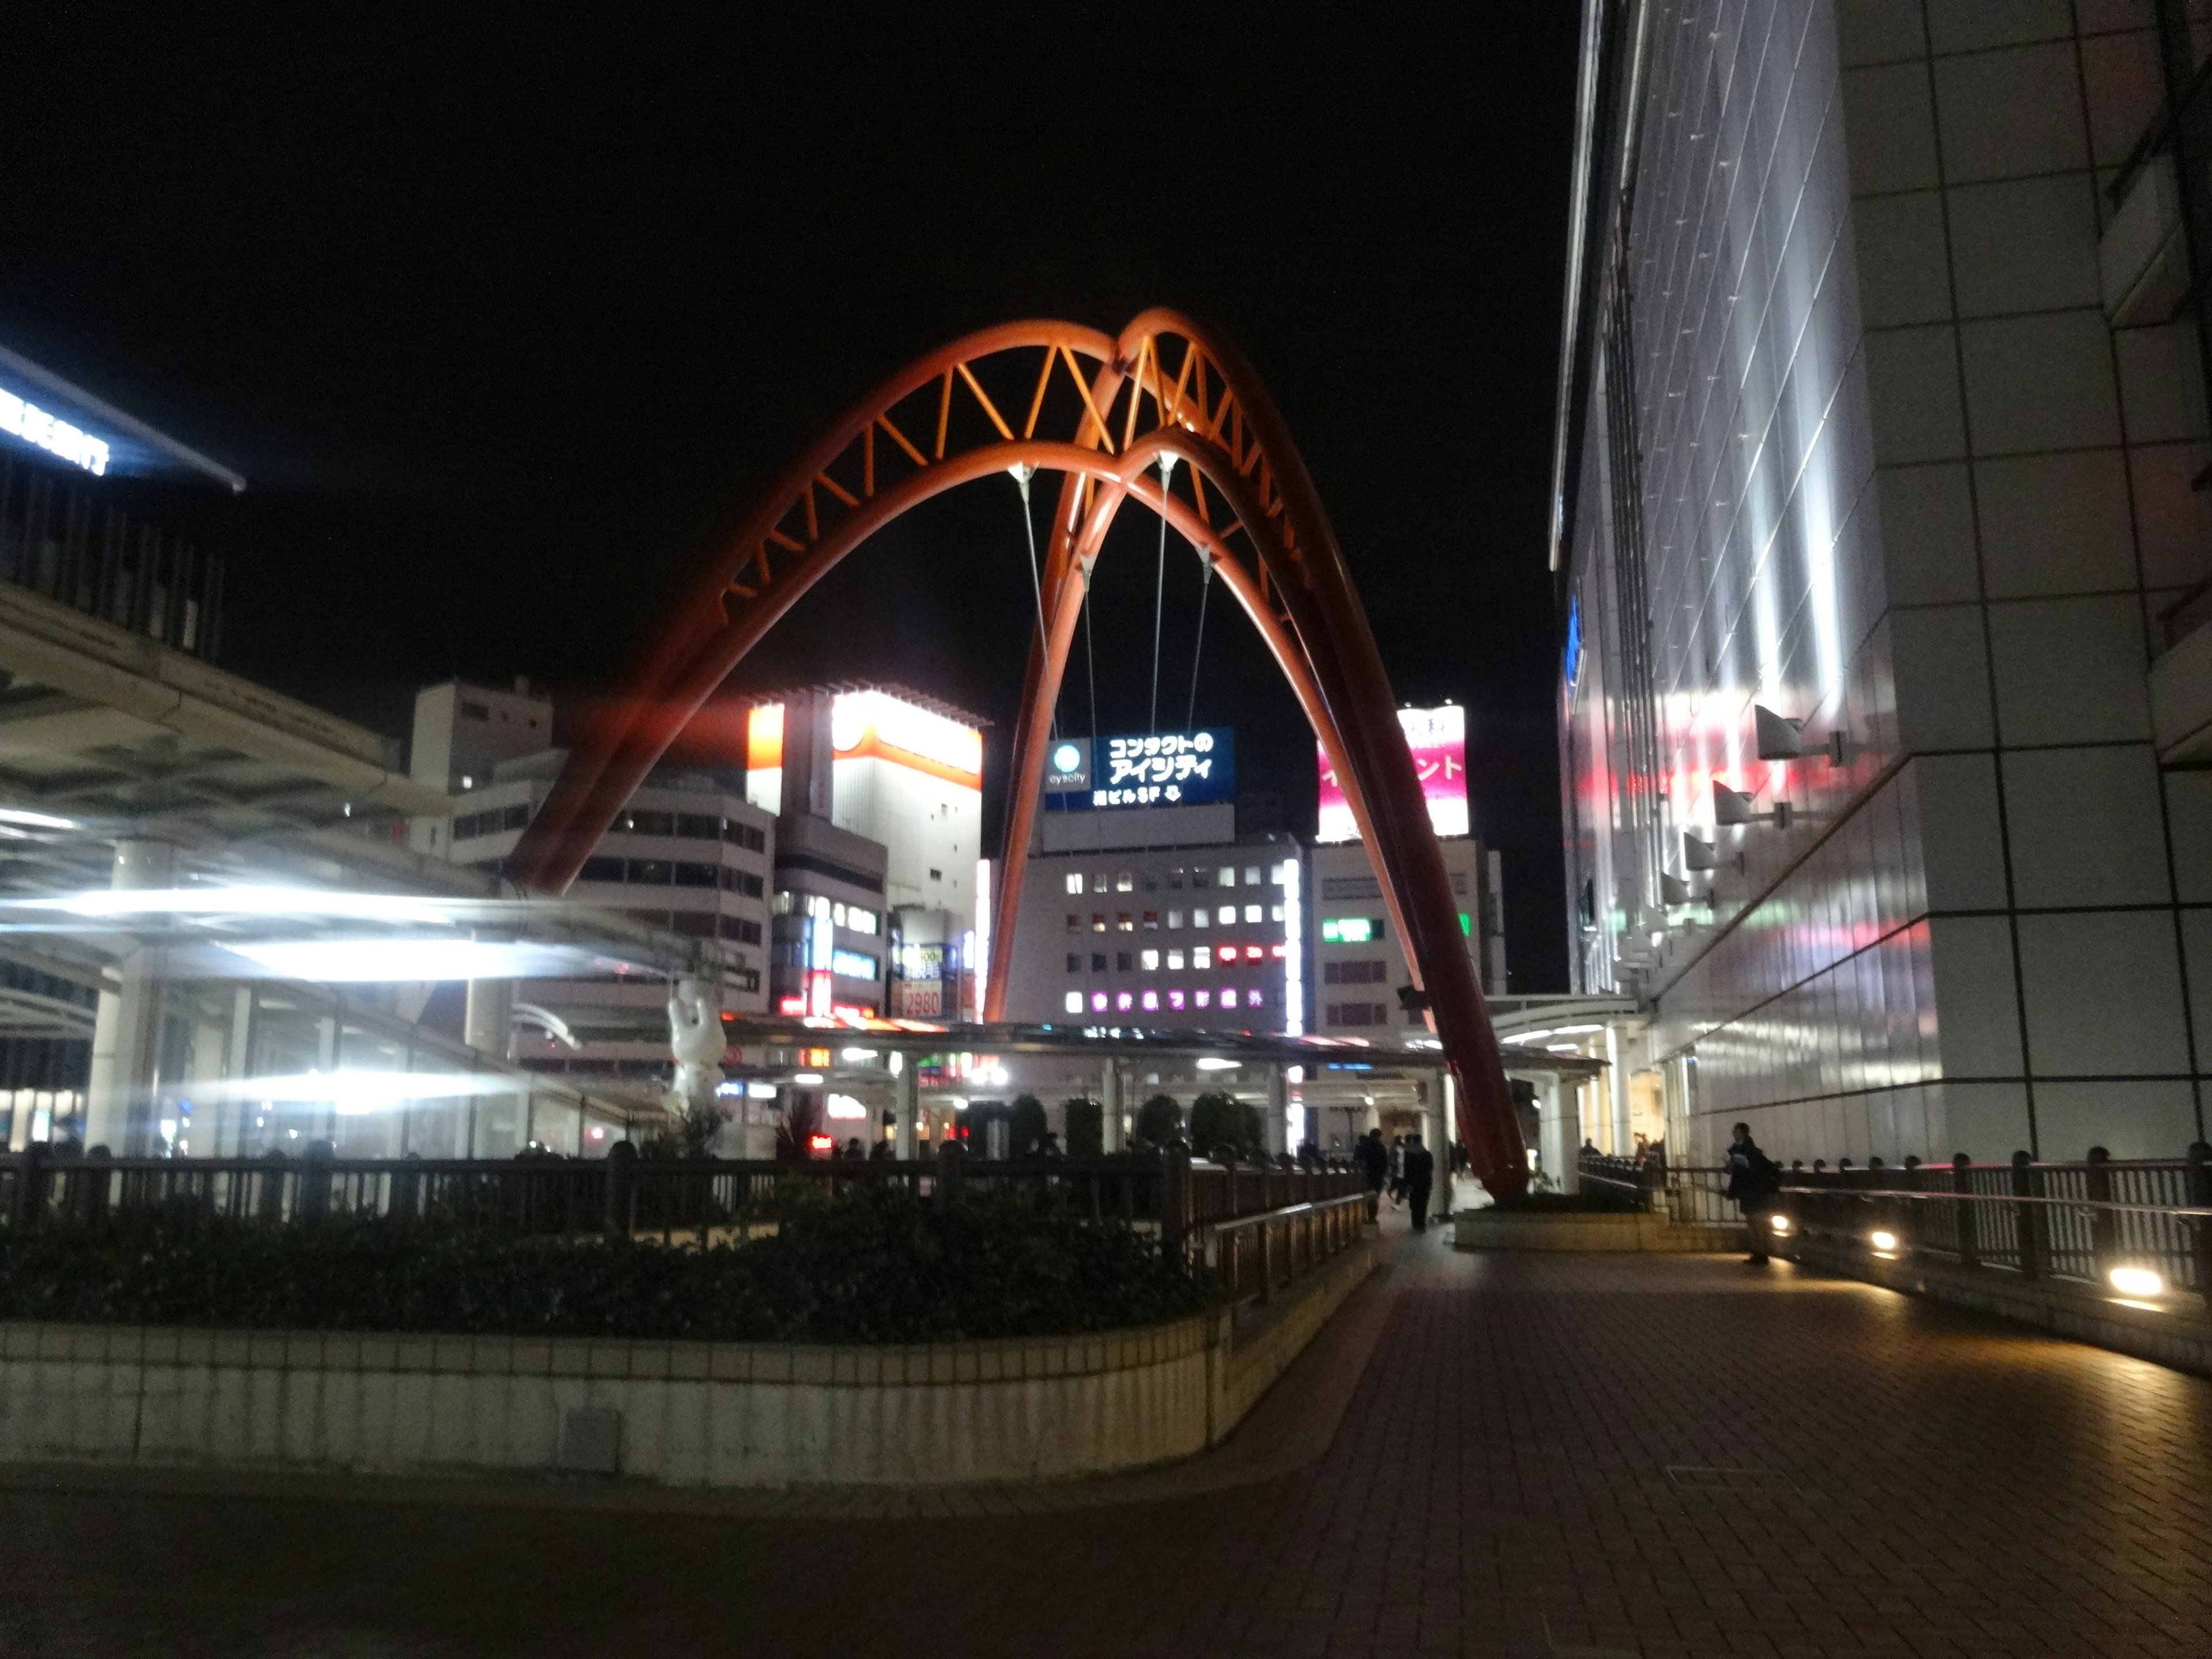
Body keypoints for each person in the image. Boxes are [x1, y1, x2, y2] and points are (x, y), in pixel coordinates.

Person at [1724, 1122, 1783, 1264]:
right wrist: (1729, 1167)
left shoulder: (1752, 1152)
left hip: (1754, 1190)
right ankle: (1757, 1252)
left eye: (1737, 1132)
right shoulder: (1736, 1150)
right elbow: (1734, 1170)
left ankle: (1762, 1253)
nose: (1735, 1134)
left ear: (1743, 1133)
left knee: (1758, 1222)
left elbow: (1759, 1168)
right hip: (1747, 1190)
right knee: (1752, 1222)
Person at [1403, 1132, 1436, 1233]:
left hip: (1413, 1184)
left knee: (1414, 1203)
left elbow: (1406, 1170)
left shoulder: (1409, 1155)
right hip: (1425, 1183)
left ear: (1413, 1142)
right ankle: (1422, 1224)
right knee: (1423, 1204)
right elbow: (1431, 1168)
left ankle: (1415, 1223)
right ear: (1421, 1141)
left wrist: (1407, 1183)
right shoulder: (1427, 1154)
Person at [1355, 1127, 1388, 1221]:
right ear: (1378, 1136)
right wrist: (1383, 1173)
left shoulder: (1363, 1146)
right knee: (1374, 1197)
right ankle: (1372, 1217)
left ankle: (1364, 1216)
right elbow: (1385, 1161)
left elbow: (1357, 1160)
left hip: (1365, 1175)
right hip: (1377, 1175)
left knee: (1365, 1196)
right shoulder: (1380, 1147)